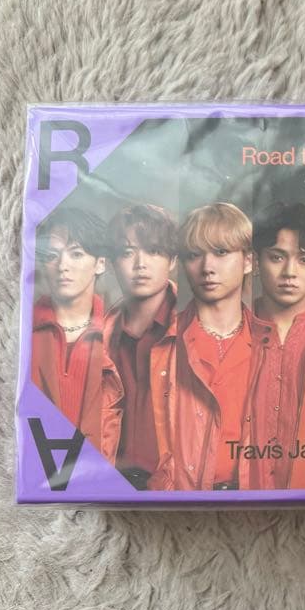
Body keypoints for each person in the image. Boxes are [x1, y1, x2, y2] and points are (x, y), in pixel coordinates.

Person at [171, 203, 273, 491]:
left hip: (257, 501)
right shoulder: (165, 342)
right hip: (183, 501)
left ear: (249, 261)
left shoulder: (271, 343)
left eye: (221, 252)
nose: (207, 267)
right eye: (194, 255)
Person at [245, 203, 305, 489]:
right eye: (277, 257)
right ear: (256, 262)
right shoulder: (232, 330)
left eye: (304, 260)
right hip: (242, 499)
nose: (289, 272)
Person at [31, 208, 122, 462]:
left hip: (102, 476)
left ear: (100, 263)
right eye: (52, 256)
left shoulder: (120, 332)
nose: (63, 266)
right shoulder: (22, 332)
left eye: (76, 254)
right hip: (38, 469)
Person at [102, 204, 179, 490]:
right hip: (109, 488)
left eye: (154, 251)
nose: (140, 264)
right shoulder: (98, 336)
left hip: (177, 490)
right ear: (112, 262)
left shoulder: (196, 328)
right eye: (127, 252)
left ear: (173, 260)